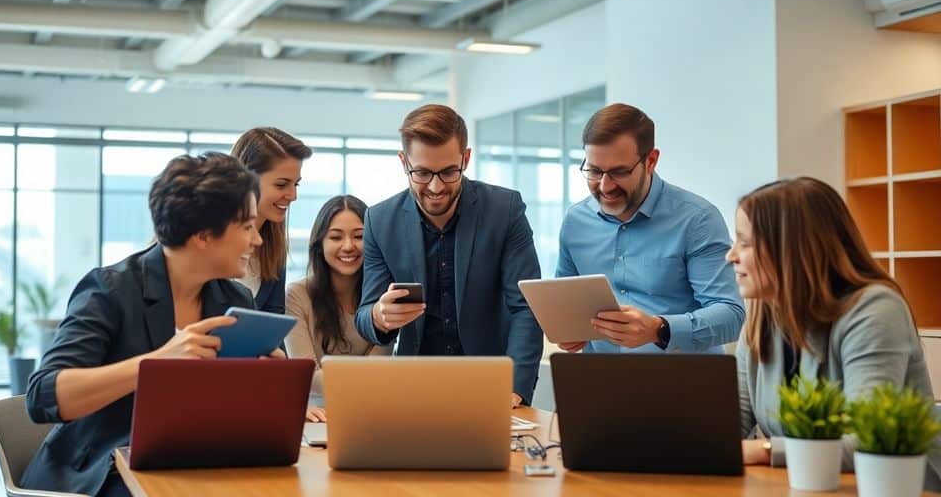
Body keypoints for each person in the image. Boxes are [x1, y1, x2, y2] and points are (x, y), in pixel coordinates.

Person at [21, 153, 281, 496]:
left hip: (190, 464)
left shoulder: (234, 301)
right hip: (100, 473)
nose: (257, 240)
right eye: (247, 227)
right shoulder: (110, 290)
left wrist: (269, 384)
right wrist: (155, 363)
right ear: (203, 235)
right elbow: (43, 396)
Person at [729, 177, 940, 488]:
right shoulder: (764, 316)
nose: (731, 255)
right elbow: (731, 424)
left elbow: (866, 441)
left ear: (792, 248)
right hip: (809, 485)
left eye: (745, 243)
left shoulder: (875, 310)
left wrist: (765, 450)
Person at [354, 104, 543, 408]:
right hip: (413, 386)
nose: (436, 187)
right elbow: (364, 315)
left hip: (491, 384)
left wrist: (516, 387)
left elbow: (526, 306)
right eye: (422, 173)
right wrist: (379, 315)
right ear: (404, 162)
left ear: (465, 159)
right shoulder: (379, 220)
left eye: (448, 172)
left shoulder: (504, 210)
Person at [556, 103, 743, 354]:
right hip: (599, 383)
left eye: (620, 172)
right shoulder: (575, 221)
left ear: (651, 161)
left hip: (683, 387)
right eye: (594, 171)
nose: (605, 186)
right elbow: (566, 303)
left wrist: (660, 329)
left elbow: (731, 315)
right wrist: (567, 329)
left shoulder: (697, 220)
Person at [285, 195, 394, 422]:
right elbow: (306, 374)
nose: (348, 246)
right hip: (314, 416)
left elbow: (378, 372)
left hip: (372, 414)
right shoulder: (296, 295)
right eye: (335, 237)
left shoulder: (384, 299)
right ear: (320, 243)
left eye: (359, 236)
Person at [230, 127, 312, 313]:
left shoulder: (273, 249)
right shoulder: (206, 245)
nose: (293, 195)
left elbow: (273, 323)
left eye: (296, 184)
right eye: (281, 184)